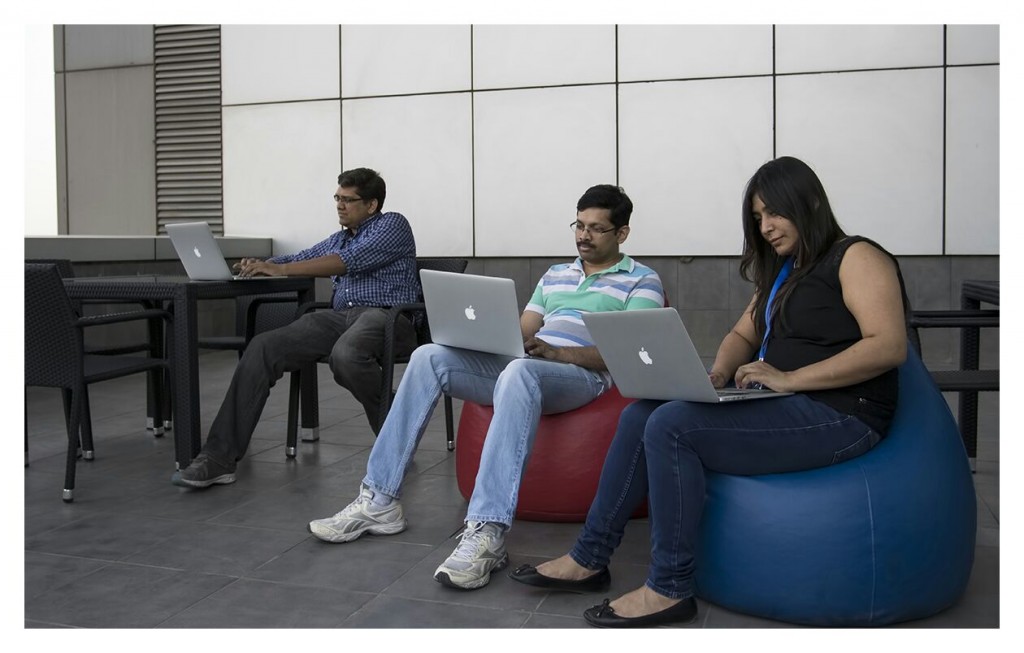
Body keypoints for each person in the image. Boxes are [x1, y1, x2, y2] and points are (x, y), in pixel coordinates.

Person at [508, 156, 909, 627]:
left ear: (811, 202)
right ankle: (589, 558)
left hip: (841, 413)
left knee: (673, 428)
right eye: (758, 218)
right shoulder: (784, 272)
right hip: (784, 403)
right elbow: (742, 335)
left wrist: (789, 378)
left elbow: (888, 346)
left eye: (774, 214)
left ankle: (670, 587)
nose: (766, 227)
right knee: (642, 413)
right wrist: (716, 376)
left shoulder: (856, 255)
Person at [307, 184, 666, 590]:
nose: (583, 236)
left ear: (622, 234)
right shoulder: (555, 275)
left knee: (519, 373)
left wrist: (561, 355)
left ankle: (488, 530)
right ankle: (379, 499)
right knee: (430, 356)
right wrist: (487, 340)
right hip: (530, 366)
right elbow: (522, 334)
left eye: (596, 229)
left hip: (582, 378)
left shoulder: (641, 280)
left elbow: (633, 353)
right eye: (579, 225)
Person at [172, 167, 420, 488]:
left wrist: (282, 269)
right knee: (263, 346)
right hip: (339, 317)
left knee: (346, 355)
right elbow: (304, 255)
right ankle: (218, 457)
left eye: (348, 200)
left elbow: (348, 261)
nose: (340, 206)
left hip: (388, 317)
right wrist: (262, 264)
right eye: (337, 198)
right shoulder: (341, 237)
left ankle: (395, 424)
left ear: (371, 205)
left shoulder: (393, 225)